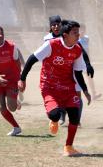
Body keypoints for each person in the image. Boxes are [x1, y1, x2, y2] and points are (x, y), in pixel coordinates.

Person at [19, 20, 91, 156]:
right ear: (65, 35)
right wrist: (22, 79)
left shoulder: (77, 50)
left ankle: (68, 147)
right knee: (55, 114)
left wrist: (85, 90)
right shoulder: (51, 45)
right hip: (49, 86)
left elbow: (77, 72)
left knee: (75, 116)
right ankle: (54, 119)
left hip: (67, 87)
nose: (78, 35)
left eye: (78, 32)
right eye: (74, 33)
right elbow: (31, 59)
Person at [79, 23, 102, 100]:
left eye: (83, 29)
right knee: (76, 78)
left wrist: (89, 60)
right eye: (80, 29)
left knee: (90, 77)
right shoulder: (75, 39)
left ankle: (93, 94)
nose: (82, 31)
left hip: (85, 61)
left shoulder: (86, 38)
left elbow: (88, 50)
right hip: (78, 62)